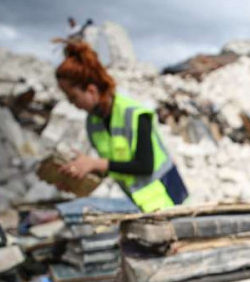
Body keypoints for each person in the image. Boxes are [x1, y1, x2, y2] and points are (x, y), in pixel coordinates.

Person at [55, 40, 188, 212]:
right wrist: (80, 176)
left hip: (168, 200)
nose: (72, 104)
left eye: (73, 97)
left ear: (91, 91)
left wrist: (95, 164)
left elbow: (144, 166)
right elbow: (113, 167)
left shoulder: (134, 114)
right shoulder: (93, 123)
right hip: (142, 205)